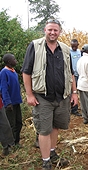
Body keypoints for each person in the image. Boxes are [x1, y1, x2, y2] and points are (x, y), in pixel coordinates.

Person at [21, 18, 78, 170]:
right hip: (42, 97)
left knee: (55, 126)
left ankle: (52, 153)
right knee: (44, 129)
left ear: (59, 32)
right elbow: (26, 72)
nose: (53, 32)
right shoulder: (35, 46)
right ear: (45, 30)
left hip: (61, 97)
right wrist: (29, 94)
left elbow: (71, 73)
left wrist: (74, 93)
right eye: (50, 29)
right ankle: (46, 161)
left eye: (55, 30)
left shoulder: (65, 49)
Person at [0, 53, 23, 146]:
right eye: (14, 59)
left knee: (19, 123)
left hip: (16, 102)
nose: (16, 60)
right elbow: (3, 88)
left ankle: (17, 141)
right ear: (9, 61)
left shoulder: (13, 72)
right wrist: (7, 102)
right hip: (10, 104)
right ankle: (11, 144)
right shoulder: (4, 72)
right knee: (12, 124)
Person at [70, 39, 82, 116]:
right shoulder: (68, 52)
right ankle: (70, 108)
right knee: (71, 92)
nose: (74, 47)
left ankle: (74, 109)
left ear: (78, 45)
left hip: (78, 75)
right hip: (71, 75)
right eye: (72, 46)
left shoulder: (79, 52)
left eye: (75, 46)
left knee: (75, 92)